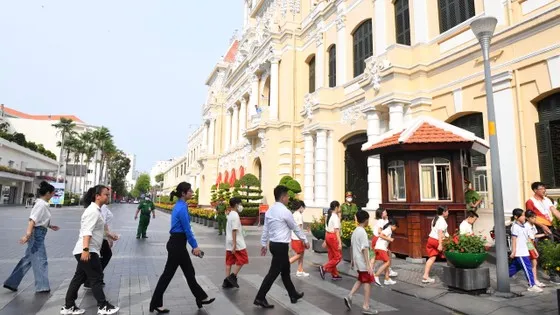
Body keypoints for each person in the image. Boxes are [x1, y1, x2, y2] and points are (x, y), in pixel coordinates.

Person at [149, 182, 214, 313]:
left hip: (178, 244)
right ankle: (155, 303)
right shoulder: (181, 208)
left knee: (189, 272)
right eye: (190, 191)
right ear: (183, 193)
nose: (192, 193)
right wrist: (195, 246)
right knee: (168, 275)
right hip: (177, 244)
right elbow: (187, 230)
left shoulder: (181, 205)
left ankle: (200, 298)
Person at [61, 185, 119, 315]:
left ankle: (68, 306)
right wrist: (86, 250)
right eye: (105, 194)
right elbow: (87, 232)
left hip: (87, 249)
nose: (107, 197)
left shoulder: (96, 210)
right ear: (97, 196)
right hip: (88, 249)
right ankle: (103, 306)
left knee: (79, 277)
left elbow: (98, 230)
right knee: (96, 277)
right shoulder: (92, 211)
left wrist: (110, 235)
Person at [254, 185, 309, 309]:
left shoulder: (270, 210)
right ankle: (260, 297)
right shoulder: (285, 212)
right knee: (273, 274)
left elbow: (266, 229)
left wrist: (263, 244)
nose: (288, 198)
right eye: (287, 196)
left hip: (274, 244)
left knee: (285, 272)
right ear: (283, 197)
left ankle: (293, 294)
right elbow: (295, 227)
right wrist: (305, 240)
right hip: (281, 246)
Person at [4, 181, 59, 293]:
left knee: (28, 260)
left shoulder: (42, 204)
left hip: (39, 232)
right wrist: (27, 235)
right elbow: (32, 220)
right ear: (48, 193)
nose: (53, 195)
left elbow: (39, 220)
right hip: (37, 235)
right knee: (41, 260)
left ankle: (11, 283)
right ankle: (42, 286)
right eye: (53, 193)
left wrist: (49, 225)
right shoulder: (41, 204)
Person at [344, 210, 378, 315]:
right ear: (366, 220)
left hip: (357, 260)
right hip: (363, 261)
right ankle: (366, 306)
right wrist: (368, 264)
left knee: (361, 279)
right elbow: (365, 249)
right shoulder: (362, 232)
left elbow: (352, 247)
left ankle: (349, 296)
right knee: (368, 282)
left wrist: (352, 261)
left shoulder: (355, 231)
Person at [84, 201, 119, 289]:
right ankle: (93, 279)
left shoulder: (102, 207)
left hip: (102, 237)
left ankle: (93, 279)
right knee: (103, 257)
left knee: (101, 257)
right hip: (100, 237)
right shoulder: (100, 208)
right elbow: (103, 224)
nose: (107, 196)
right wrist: (109, 237)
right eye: (106, 194)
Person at [509, 208, 543, 293]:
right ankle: (532, 285)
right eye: (523, 215)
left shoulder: (524, 226)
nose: (525, 217)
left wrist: (533, 250)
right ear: (516, 217)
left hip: (525, 251)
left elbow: (528, 240)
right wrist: (513, 251)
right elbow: (514, 240)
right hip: (520, 253)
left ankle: (502, 278)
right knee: (528, 268)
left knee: (514, 268)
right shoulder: (515, 227)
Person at [222, 197, 248, 289]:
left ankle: (226, 281)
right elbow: (234, 230)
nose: (241, 206)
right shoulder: (235, 216)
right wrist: (234, 245)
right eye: (240, 204)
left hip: (229, 241)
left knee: (229, 261)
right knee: (243, 259)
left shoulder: (230, 214)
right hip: (237, 242)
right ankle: (232, 277)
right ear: (236, 205)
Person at [422, 206, 449, 284]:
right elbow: (440, 232)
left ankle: (425, 276)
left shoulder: (435, 219)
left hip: (431, 239)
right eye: (447, 211)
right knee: (450, 255)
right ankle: (451, 276)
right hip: (437, 240)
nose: (448, 213)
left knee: (432, 257)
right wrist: (440, 244)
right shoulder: (442, 221)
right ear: (444, 212)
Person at [319, 201, 343, 281]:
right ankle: (324, 267)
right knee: (338, 257)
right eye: (339, 207)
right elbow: (336, 231)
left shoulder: (328, 216)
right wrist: (339, 242)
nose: (340, 208)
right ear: (336, 207)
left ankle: (334, 274)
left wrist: (326, 240)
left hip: (329, 236)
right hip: (333, 237)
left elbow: (326, 229)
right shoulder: (335, 217)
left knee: (331, 256)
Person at [371, 208, 397, 278]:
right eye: (385, 212)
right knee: (382, 255)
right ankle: (375, 272)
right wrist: (388, 237)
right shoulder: (380, 221)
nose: (386, 212)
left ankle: (372, 271)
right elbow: (380, 232)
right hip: (379, 239)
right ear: (381, 214)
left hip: (378, 239)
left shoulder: (384, 220)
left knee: (379, 255)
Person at [524, 210, 546, 288]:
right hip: (529, 245)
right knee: (534, 263)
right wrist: (534, 250)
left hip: (532, 244)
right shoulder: (527, 226)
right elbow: (529, 240)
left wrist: (543, 234)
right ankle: (534, 281)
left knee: (534, 263)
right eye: (532, 218)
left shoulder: (532, 225)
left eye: (535, 217)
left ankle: (534, 280)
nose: (534, 219)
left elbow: (534, 236)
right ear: (527, 218)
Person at [289, 200, 309, 277]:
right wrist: (304, 240)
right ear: (301, 207)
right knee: (299, 255)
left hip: (294, 237)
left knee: (301, 254)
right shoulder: (299, 215)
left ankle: (300, 270)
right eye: (303, 208)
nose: (303, 210)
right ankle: (284, 265)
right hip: (298, 238)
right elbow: (299, 229)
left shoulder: (293, 214)